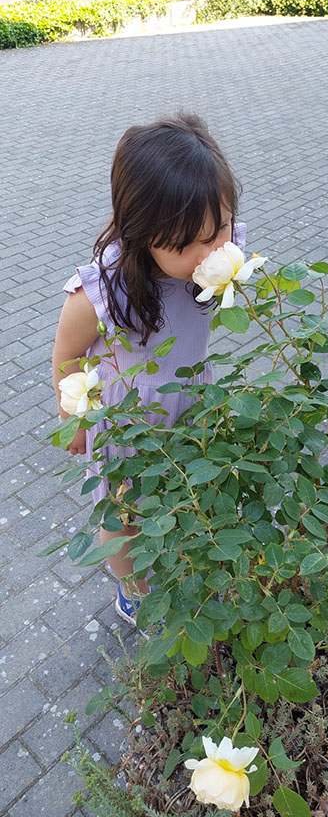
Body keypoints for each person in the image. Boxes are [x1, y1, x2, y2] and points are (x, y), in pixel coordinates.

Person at [52, 112, 246, 629]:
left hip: (192, 408)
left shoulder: (220, 252)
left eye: (219, 229)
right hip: (126, 425)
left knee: (188, 495)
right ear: (141, 233)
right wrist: (74, 420)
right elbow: (67, 356)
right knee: (123, 516)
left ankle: (183, 569)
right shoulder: (102, 291)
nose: (210, 251)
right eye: (186, 244)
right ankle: (133, 591)